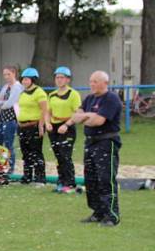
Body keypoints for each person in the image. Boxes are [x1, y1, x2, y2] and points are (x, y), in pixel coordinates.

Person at [68, 71, 122, 226]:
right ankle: (98, 212)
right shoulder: (89, 98)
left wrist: (87, 117)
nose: (92, 84)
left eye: (95, 81)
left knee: (106, 179)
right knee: (91, 179)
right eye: (90, 81)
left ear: (105, 83)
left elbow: (98, 121)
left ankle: (111, 215)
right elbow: (76, 117)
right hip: (90, 142)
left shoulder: (111, 98)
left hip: (106, 142)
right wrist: (87, 116)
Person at [47, 66, 82, 193]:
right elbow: (48, 112)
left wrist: (66, 125)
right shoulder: (52, 94)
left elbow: (78, 113)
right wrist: (47, 123)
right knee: (57, 155)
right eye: (57, 77)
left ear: (68, 80)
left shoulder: (73, 94)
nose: (59, 80)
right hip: (54, 126)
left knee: (65, 154)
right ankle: (61, 181)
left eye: (62, 77)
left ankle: (70, 182)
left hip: (67, 126)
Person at [16, 68, 50, 184]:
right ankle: (27, 176)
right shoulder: (23, 93)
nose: (24, 82)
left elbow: (44, 110)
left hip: (34, 125)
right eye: (23, 79)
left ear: (33, 80)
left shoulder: (39, 92)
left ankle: (40, 178)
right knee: (25, 153)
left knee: (36, 152)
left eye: (26, 79)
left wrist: (41, 125)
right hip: (22, 126)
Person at [0, 66, 23, 175]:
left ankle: (10, 167)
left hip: (11, 119)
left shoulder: (18, 87)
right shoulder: (6, 87)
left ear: (14, 73)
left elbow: (9, 104)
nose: (6, 77)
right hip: (2, 119)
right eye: (4, 74)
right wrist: (2, 103)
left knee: (8, 144)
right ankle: (0, 165)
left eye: (8, 74)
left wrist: (2, 103)